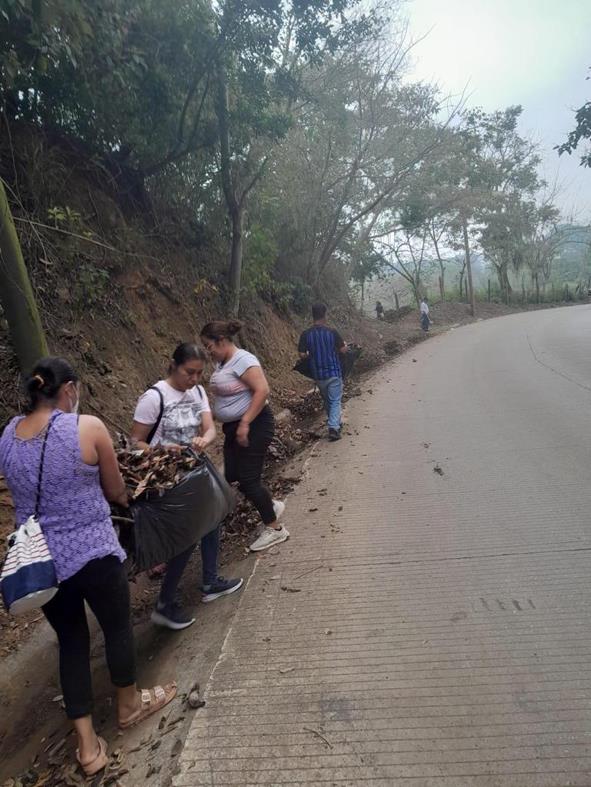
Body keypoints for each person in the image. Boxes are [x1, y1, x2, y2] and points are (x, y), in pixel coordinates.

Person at [0, 358, 176, 777]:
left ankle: (87, 747)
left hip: (43, 562)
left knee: (72, 641)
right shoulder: (88, 428)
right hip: (93, 553)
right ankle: (129, 705)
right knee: (115, 627)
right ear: (70, 390)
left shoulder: (8, 434)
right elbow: (115, 490)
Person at [131, 343, 243, 630]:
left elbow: (209, 428)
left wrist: (205, 439)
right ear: (173, 365)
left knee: (213, 518)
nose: (193, 379)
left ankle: (209, 580)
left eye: (198, 373)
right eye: (188, 373)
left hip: (194, 470)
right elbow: (136, 443)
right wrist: (164, 450)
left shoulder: (198, 392)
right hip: (166, 478)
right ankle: (166, 603)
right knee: (185, 537)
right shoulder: (154, 397)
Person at [200, 320, 288, 553]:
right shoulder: (223, 363)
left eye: (209, 346)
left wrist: (246, 422)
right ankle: (270, 505)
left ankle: (275, 529)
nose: (208, 352)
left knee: (249, 479)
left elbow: (262, 390)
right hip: (235, 427)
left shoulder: (243, 360)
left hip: (254, 425)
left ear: (221, 341)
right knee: (231, 475)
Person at [298, 303, 348, 441]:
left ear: (313, 315)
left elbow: (302, 354)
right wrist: (344, 347)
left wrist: (311, 355)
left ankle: (336, 423)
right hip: (333, 372)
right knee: (335, 400)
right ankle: (333, 427)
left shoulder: (306, 334)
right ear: (325, 315)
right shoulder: (332, 332)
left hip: (319, 376)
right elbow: (343, 350)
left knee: (328, 401)